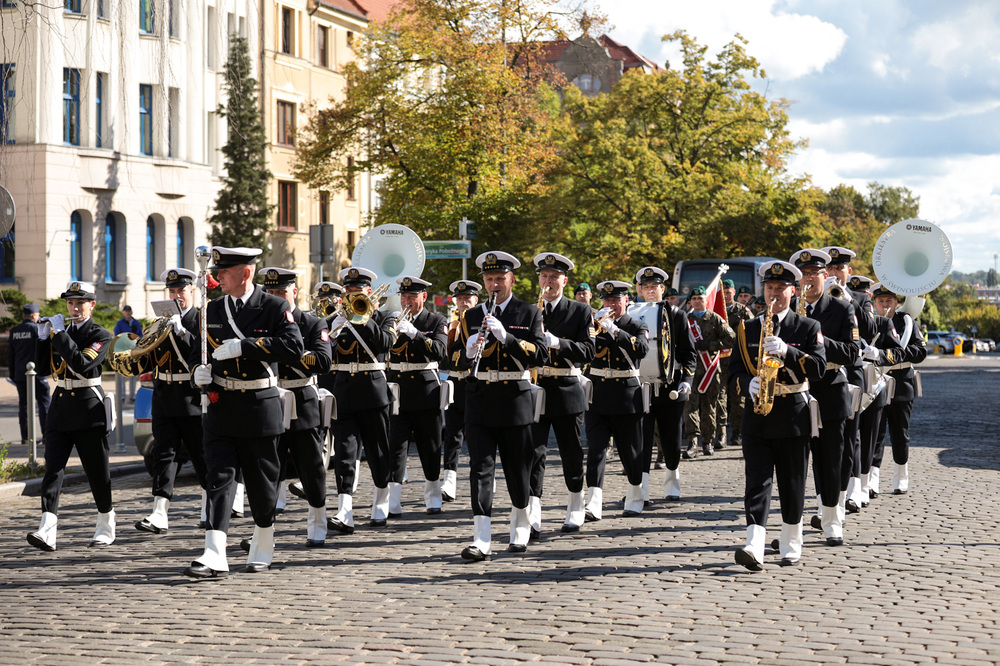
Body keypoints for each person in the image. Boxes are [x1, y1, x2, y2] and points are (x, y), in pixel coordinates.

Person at [183, 248, 303, 578]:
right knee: (218, 479)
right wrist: (197, 373)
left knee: (261, 483)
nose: (218, 276)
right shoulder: (212, 309)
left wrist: (245, 346)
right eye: (217, 271)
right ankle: (214, 552)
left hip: (259, 406)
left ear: (245, 274)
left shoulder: (273, 307)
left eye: (225, 271)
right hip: (222, 406)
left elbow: (294, 348)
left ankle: (263, 540)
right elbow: (198, 353)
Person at [730, 261, 826, 570]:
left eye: (780, 289)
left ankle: (791, 541)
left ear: (793, 291)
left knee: (792, 481)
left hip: (792, 413)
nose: (774, 294)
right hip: (757, 415)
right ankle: (754, 544)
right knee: (756, 481)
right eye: (769, 289)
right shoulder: (748, 327)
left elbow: (819, 368)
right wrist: (749, 383)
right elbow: (732, 372)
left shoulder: (807, 327)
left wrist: (788, 352)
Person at [455, 251, 546, 561]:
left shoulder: (528, 312)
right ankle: (481, 538)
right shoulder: (470, 316)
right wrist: (467, 351)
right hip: (480, 398)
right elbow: (451, 357)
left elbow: (540, 354)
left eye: (500, 279)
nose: (494, 285)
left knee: (517, 470)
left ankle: (520, 524)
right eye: (489, 279)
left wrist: (506, 338)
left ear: (512, 280)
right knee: (480, 469)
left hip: (514, 398)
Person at [27, 282, 115, 552]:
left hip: (89, 408)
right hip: (61, 406)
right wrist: (43, 338)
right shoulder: (59, 333)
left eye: (80, 303)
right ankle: (47, 528)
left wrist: (61, 334)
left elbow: (81, 363)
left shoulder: (100, 333)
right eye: (70, 303)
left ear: (92, 305)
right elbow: (42, 369)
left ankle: (105, 525)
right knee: (52, 470)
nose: (74, 308)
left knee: (97, 472)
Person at [789, 249, 860, 547]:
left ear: (825, 276)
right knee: (795, 462)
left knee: (830, 460)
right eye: (803, 274)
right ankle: (792, 525)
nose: (809, 280)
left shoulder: (843, 309)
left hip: (830, 386)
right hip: (795, 391)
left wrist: (816, 337)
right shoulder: (788, 307)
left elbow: (852, 353)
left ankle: (832, 520)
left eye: (814, 274)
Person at [134, 268, 210, 536]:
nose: (177, 296)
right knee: (163, 455)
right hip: (164, 397)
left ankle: (209, 505)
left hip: (191, 397)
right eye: (172, 291)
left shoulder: (201, 320)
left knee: (201, 455)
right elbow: (145, 362)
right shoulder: (160, 323)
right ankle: (159, 512)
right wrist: (138, 350)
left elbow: (205, 355)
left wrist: (182, 334)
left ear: (192, 291)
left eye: (181, 290)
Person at [260, 267, 332, 547]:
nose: (276, 297)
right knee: (267, 469)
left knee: (311, 467)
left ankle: (317, 523)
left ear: (294, 292)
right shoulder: (262, 322)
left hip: (302, 399)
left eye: (281, 292)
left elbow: (323, 361)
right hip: (269, 400)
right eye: (271, 292)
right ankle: (264, 531)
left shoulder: (312, 323)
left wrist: (287, 350)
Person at [326, 267, 396, 534]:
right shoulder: (336, 319)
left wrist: (364, 318)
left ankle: (381, 500)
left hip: (373, 391)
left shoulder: (386, 316)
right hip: (344, 389)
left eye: (357, 291)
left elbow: (386, 343)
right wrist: (331, 333)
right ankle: (344, 510)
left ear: (369, 292)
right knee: (344, 451)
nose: (351, 295)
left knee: (378, 450)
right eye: (349, 291)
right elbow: (326, 356)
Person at [529, 252, 595, 534]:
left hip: (567, 387)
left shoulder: (581, 311)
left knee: (570, 451)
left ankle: (575, 504)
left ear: (564, 281)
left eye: (554, 278)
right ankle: (532, 510)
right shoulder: (532, 311)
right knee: (533, 453)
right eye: (544, 277)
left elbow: (589, 351)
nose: (548, 282)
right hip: (537, 389)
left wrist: (558, 343)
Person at [584, 280, 649, 520]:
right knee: (596, 450)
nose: (611, 304)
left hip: (626, 395)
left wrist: (614, 330)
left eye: (616, 300)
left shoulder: (636, 325)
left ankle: (634, 495)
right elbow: (585, 349)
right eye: (607, 300)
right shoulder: (593, 324)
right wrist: (595, 326)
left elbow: (641, 350)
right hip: (598, 394)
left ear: (626, 301)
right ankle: (594, 501)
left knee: (630, 451)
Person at [630, 266, 696, 502]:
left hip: (670, 384)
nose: (650, 290)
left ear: (662, 288)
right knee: (642, 439)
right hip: (643, 386)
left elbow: (689, 352)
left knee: (671, 437)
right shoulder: (632, 314)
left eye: (654, 286)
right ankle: (642, 489)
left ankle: (672, 483)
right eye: (646, 286)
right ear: (640, 289)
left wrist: (686, 380)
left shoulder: (677, 315)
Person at [387, 275, 449, 516]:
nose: (407, 301)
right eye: (403, 296)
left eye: (412, 296)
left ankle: (433, 494)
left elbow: (441, 352)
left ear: (424, 297)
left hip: (426, 391)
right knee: (396, 446)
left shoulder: (436, 320)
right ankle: (393, 500)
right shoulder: (391, 319)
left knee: (430, 445)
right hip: (398, 391)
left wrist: (415, 334)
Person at [823, 246, 878, 512]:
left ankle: (855, 489)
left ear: (849, 271)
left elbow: (870, 328)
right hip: (824, 372)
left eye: (839, 268)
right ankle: (832, 491)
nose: (834, 273)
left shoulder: (860, 298)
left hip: (852, 370)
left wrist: (849, 300)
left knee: (852, 431)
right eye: (830, 269)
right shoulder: (817, 297)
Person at [869, 284, 927, 495]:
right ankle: (872, 479)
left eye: (889, 301)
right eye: (881, 301)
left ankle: (901, 475)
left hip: (901, 380)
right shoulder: (870, 322)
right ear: (874, 304)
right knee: (876, 433)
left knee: (899, 432)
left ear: (896, 302)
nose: (885, 305)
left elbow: (920, 353)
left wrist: (897, 353)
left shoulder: (907, 322)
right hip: (876, 380)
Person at [682, 286, 735, 458]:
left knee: (709, 407)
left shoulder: (715, 319)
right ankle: (692, 443)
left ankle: (707, 442)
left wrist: (710, 346)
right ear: (690, 301)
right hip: (690, 370)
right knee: (690, 407)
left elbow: (731, 339)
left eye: (700, 298)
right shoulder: (685, 319)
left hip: (710, 370)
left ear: (706, 300)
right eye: (694, 298)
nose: (697, 301)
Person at [441, 280, 481, 503]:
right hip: (456, 383)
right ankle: (450, 479)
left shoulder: (481, 323)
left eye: (468, 299)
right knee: (453, 434)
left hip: (476, 384)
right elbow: (449, 357)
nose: (464, 302)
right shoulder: (454, 326)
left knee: (478, 435)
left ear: (476, 300)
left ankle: (486, 476)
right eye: (460, 299)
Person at [7, 303, 51, 446]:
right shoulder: (37, 329)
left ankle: (25, 437)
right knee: (44, 404)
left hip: (20, 374)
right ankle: (46, 436)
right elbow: (44, 351)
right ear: (34, 316)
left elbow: (10, 355)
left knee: (24, 406)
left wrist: (13, 374)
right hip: (37, 374)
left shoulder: (14, 331)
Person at [719, 280, 753, 450]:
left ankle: (738, 433)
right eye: (722, 292)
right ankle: (722, 433)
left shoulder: (742, 311)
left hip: (737, 360)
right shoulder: (716, 309)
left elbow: (752, 331)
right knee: (720, 399)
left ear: (733, 292)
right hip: (719, 360)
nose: (725, 295)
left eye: (728, 292)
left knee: (738, 400)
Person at [113, 305, 143, 403]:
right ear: (123, 313)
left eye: (129, 311)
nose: (128, 313)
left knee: (133, 374)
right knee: (122, 375)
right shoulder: (120, 323)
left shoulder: (136, 323)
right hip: (123, 350)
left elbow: (140, 336)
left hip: (133, 351)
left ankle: (132, 395)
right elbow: (117, 335)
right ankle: (122, 396)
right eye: (126, 311)